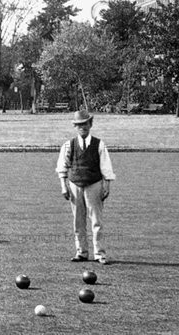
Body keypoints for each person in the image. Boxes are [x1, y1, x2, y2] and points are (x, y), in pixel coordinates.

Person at [56, 110, 116, 265]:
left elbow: (106, 166)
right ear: (75, 126)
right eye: (79, 124)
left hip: (94, 184)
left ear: (91, 124)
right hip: (75, 185)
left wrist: (106, 185)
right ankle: (81, 252)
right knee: (78, 221)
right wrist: (64, 186)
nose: (83, 127)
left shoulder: (99, 144)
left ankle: (99, 254)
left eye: (85, 124)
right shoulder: (69, 145)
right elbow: (62, 167)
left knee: (96, 221)